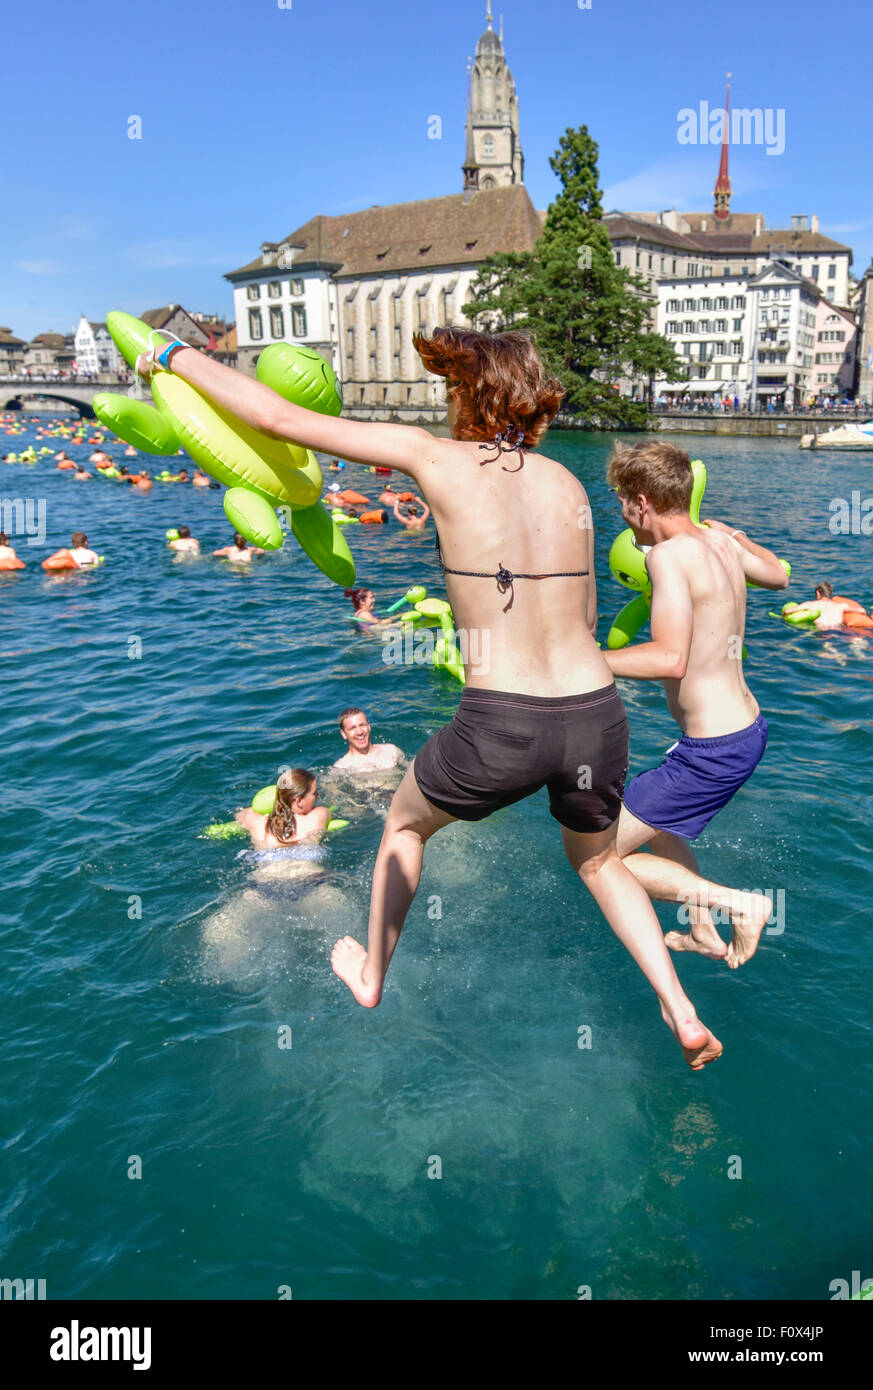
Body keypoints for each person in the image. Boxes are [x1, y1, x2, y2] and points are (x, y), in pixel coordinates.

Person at [134, 323, 726, 1069]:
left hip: (502, 719)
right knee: (599, 861)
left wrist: (170, 356)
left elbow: (279, 419)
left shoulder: (431, 456)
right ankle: (680, 1010)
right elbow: (578, 620)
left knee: (406, 829)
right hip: (594, 715)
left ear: (462, 390)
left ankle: (372, 975)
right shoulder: (568, 484)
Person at [603, 441, 788, 968]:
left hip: (714, 749)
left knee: (598, 856)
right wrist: (737, 534)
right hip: (743, 730)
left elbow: (669, 658)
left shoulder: (665, 556)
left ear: (641, 502)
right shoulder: (717, 543)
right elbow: (779, 575)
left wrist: (586, 658)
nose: (621, 512)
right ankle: (704, 931)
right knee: (658, 824)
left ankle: (740, 905)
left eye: (621, 500)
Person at [233, 769, 330, 847]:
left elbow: (241, 814)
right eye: (314, 793)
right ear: (299, 801)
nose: (317, 796)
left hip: (266, 870)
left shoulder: (256, 822)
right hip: (306, 870)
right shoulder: (318, 815)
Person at [333, 708, 406, 772]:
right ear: (343, 734)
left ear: (369, 726)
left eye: (362, 725)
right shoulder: (341, 768)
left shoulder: (391, 751)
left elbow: (411, 773)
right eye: (352, 728)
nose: (359, 732)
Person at [784, 581, 858, 631]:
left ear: (818, 592)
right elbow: (862, 610)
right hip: (839, 631)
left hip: (823, 632)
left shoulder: (811, 604)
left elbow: (787, 611)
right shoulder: (841, 606)